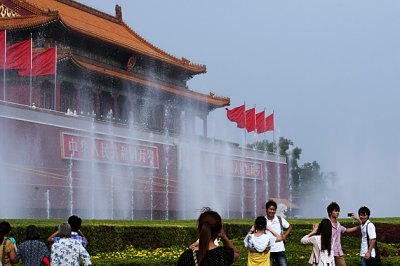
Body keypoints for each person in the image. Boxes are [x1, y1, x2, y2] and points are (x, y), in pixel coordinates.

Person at [265, 200, 292, 266]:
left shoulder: (279, 219)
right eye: (270, 209)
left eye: (274, 210)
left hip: (280, 249)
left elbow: (290, 227)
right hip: (268, 250)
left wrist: (285, 235)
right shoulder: (263, 220)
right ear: (266, 209)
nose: (272, 211)